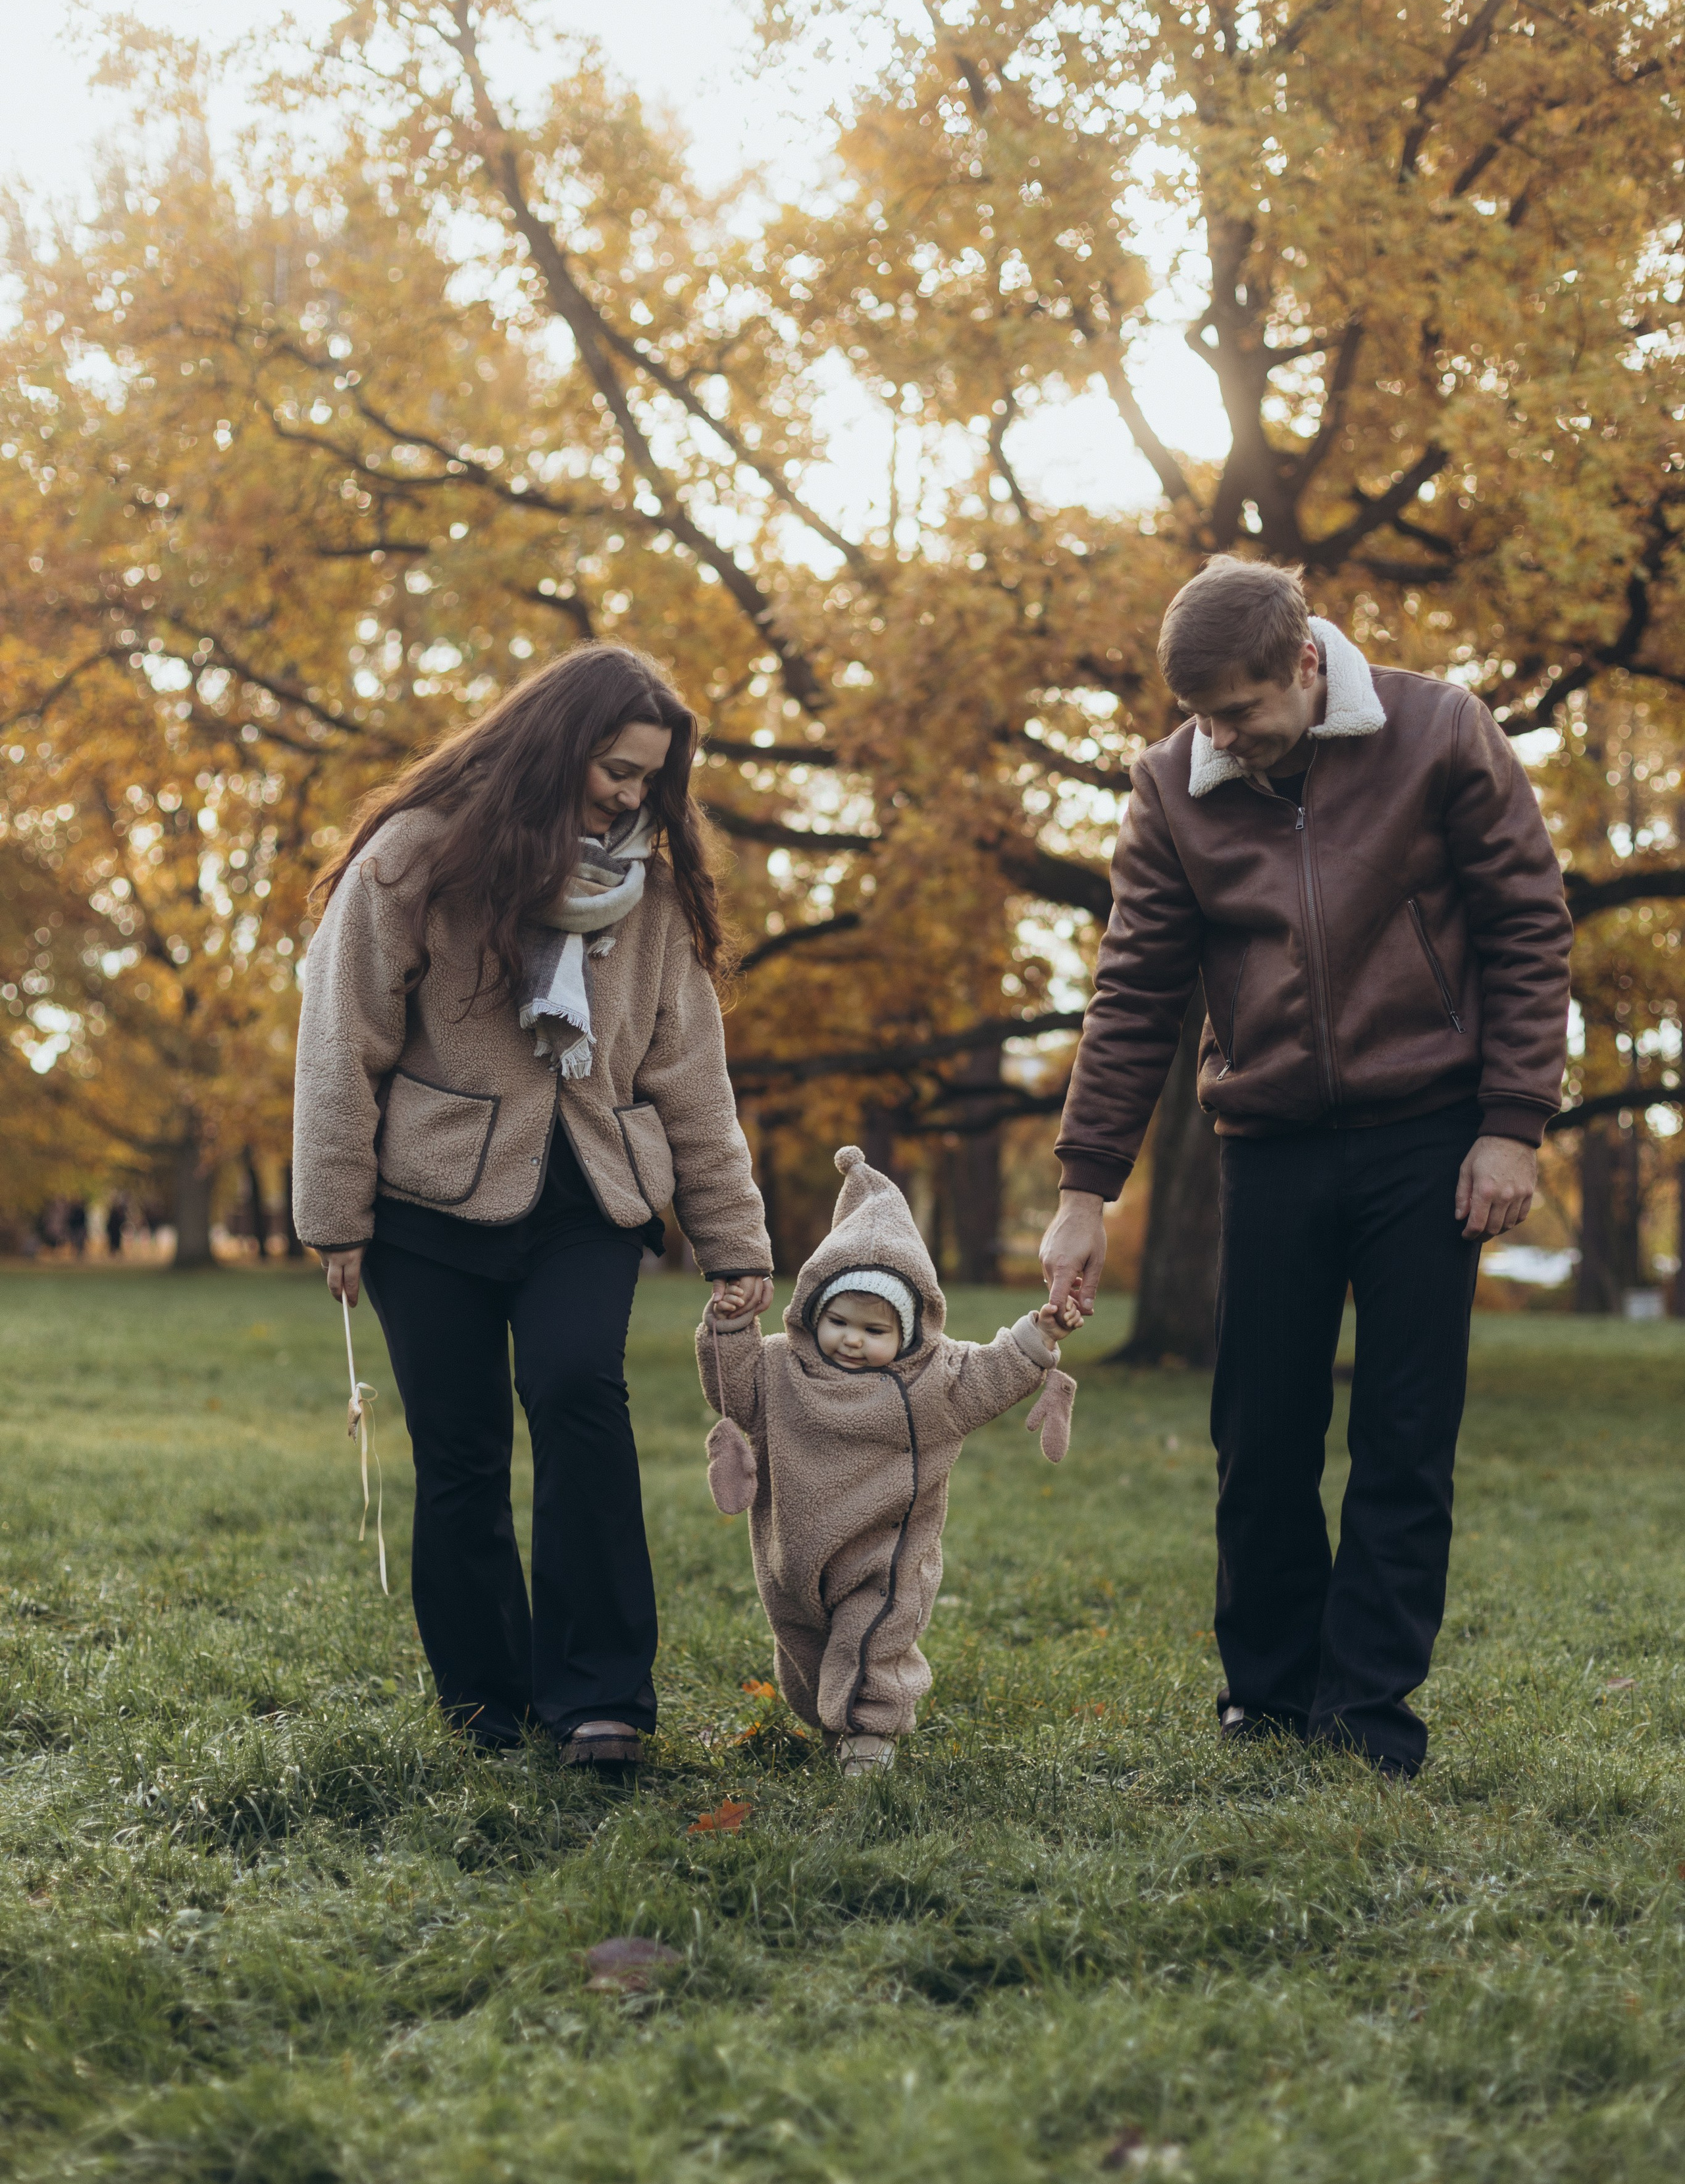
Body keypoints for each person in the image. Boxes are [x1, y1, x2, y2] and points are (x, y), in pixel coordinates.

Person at [1041, 559, 1572, 1778]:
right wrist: (1084, 1190)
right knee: (1261, 1432)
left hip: (1430, 1133)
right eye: (1202, 717)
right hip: (1270, 1140)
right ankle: (1269, 1696)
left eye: (1242, 711)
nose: (1223, 738)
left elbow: (1528, 923)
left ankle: (1367, 1712)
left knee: (1404, 1432)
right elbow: (1134, 992)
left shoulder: (1441, 730)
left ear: (1307, 663)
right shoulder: (1172, 785)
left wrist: (1514, 1121)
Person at [291, 644, 773, 1767]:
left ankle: (601, 1702)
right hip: (425, 1207)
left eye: (650, 778)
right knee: (458, 1453)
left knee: (579, 1397)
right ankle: (487, 1707)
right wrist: (336, 1217)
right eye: (616, 769)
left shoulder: (652, 897)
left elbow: (691, 1077)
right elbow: (340, 1039)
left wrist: (733, 1238)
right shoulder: (415, 860)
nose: (631, 796)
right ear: (556, 745)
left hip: (592, 1197)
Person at [700, 1144, 1077, 1776]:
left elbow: (994, 1373)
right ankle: (834, 1720)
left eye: (875, 1331)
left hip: (883, 1557)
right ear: (813, 1310)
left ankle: (870, 1738)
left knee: (872, 1636)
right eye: (838, 1320)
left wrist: (1039, 1337)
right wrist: (732, 1327)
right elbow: (730, 1389)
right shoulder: (779, 1367)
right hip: (792, 1555)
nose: (852, 1339)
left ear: (907, 1332)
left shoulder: (932, 1382)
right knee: (805, 1650)